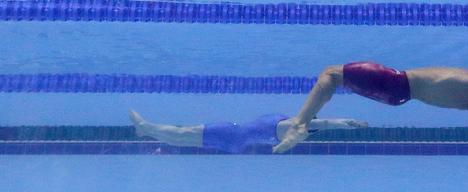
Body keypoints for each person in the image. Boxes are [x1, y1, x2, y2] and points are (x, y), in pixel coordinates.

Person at [272, 45, 468, 153]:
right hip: (399, 96)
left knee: (331, 74)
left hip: (395, 82)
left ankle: (300, 124)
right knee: (333, 77)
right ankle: (301, 124)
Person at [129, 109, 366, 154]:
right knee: (187, 137)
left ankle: (146, 127)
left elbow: (323, 124)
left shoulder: (290, 127)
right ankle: (148, 131)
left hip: (230, 134)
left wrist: (347, 121)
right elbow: (320, 124)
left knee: (186, 133)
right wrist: (349, 123)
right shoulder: (289, 127)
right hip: (234, 141)